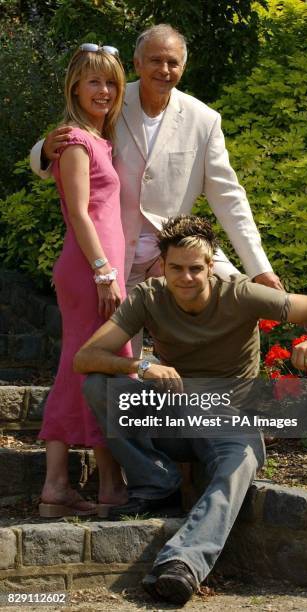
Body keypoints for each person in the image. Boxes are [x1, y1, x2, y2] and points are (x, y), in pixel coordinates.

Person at [73, 215, 307, 605]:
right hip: (171, 412)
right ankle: (156, 481)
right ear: (162, 266)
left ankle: (182, 563)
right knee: (98, 385)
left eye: (196, 268)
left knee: (240, 464)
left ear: (210, 265)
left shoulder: (241, 294)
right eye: (177, 268)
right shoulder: (149, 295)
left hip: (226, 417)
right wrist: (141, 365)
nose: (186, 277)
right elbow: (86, 358)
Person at [30, 25, 283, 355]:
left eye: (173, 62)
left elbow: (230, 197)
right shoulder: (112, 99)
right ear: (137, 63)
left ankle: (216, 401)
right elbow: (73, 137)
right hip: (115, 253)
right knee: (119, 361)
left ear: (183, 67)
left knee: (239, 301)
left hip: (174, 249)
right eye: (155, 60)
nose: (164, 70)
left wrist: (260, 268)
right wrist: (45, 150)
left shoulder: (204, 120)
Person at [38, 44, 132, 518]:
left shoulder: (98, 138)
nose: (105, 90)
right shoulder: (75, 140)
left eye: (112, 82)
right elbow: (78, 212)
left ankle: (65, 487)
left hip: (101, 268)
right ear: (75, 85)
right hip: (89, 270)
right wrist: (103, 272)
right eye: (94, 81)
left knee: (89, 369)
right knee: (97, 367)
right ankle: (107, 486)